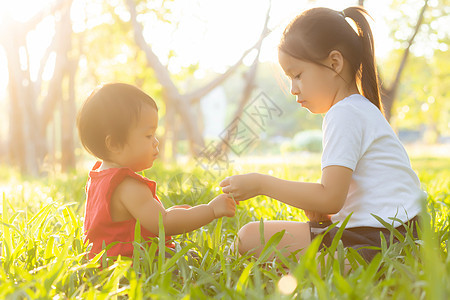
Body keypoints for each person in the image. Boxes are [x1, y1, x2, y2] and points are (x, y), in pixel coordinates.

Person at [220, 7, 424, 264]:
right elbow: (343, 199)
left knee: (250, 236)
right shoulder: (359, 109)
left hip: (379, 242)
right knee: (253, 236)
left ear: (334, 63)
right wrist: (320, 216)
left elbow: (330, 198)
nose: (293, 89)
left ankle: (347, 264)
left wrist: (262, 184)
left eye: (298, 75)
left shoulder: (345, 113)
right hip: (402, 236)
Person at [77, 83, 236, 260]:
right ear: (114, 144)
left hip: (106, 263)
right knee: (187, 259)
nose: (156, 141)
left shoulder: (98, 176)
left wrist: (172, 211)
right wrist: (211, 210)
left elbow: (131, 223)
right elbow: (164, 223)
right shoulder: (127, 185)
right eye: (148, 136)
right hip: (133, 265)